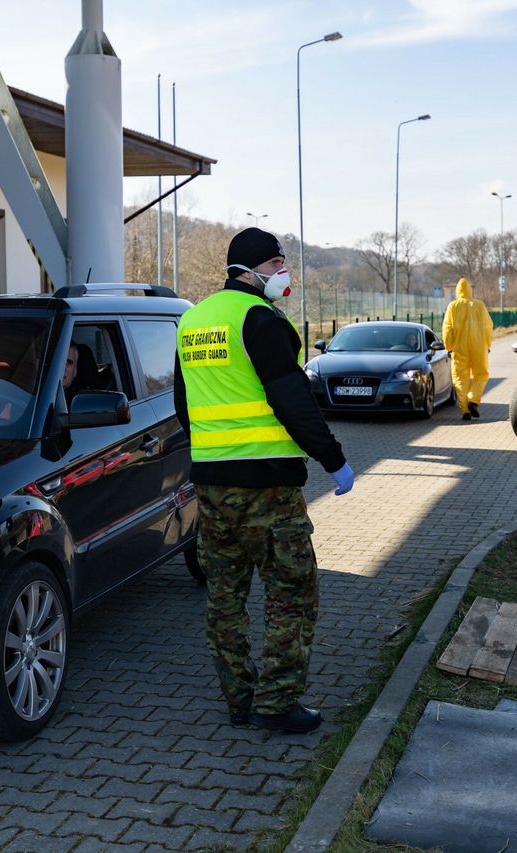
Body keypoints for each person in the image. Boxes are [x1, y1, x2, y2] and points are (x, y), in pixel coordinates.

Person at [174, 226, 354, 735]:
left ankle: (238, 699)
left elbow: (183, 408)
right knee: (292, 592)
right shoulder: (260, 319)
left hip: (211, 487)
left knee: (225, 595)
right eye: (278, 265)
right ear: (254, 270)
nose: (283, 274)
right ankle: (277, 704)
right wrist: (333, 460)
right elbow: (292, 400)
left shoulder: (193, 322)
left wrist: (214, 451)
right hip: (268, 489)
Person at [442, 277, 493, 420]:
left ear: (458, 291)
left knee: (459, 378)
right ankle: (473, 400)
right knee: (481, 375)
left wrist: (448, 346)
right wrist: (488, 344)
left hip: (459, 348)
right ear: (470, 291)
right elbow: (488, 326)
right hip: (479, 347)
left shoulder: (453, 306)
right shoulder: (480, 306)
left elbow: (447, 329)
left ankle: (465, 410)